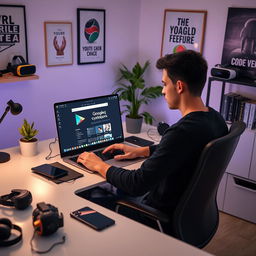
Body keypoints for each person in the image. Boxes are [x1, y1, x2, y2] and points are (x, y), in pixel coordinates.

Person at [77, 50, 228, 234]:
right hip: (194, 218)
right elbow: (185, 148)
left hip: (157, 217)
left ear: (179, 86)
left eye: (165, 84)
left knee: (87, 197)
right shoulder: (215, 119)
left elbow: (137, 183)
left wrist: (99, 165)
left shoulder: (181, 132)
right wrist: (140, 151)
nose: (163, 90)